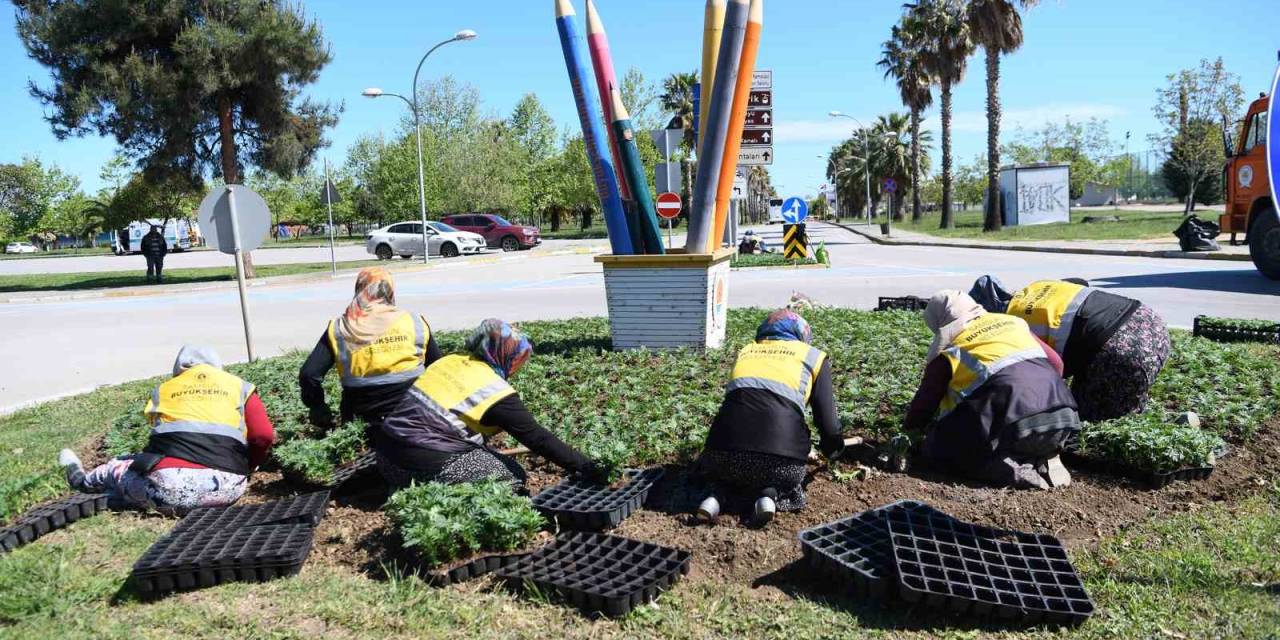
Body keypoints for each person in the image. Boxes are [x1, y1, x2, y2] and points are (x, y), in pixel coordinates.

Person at [372, 319, 605, 488]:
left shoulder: (449, 361)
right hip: (417, 467)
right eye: (519, 358)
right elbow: (538, 438)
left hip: (384, 459)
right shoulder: (493, 391)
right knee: (512, 475)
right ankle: (437, 491)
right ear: (506, 355)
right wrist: (588, 467)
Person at [57, 345, 275, 514]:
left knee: (117, 466)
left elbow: (158, 444)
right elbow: (263, 435)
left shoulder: (164, 390)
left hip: (167, 492)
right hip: (227, 489)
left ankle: (83, 481)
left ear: (178, 370)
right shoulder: (239, 386)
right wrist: (249, 466)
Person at [905, 291, 1079, 490]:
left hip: (1016, 429)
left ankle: (1011, 470)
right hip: (1063, 417)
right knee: (1008, 427)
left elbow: (925, 404)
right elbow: (1057, 364)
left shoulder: (950, 350)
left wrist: (909, 433)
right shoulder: (1012, 323)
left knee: (937, 448)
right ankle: (1044, 455)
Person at [695, 309, 844, 525]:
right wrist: (833, 450)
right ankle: (770, 494)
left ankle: (716, 495)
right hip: (782, 463)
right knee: (777, 475)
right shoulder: (813, 357)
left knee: (728, 476)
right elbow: (828, 424)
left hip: (721, 456)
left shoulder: (746, 351)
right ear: (802, 335)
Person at [969, 276, 1170, 422]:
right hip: (1151, 324)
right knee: (1119, 398)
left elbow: (1048, 373)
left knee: (1087, 422)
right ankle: (1153, 414)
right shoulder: (1036, 288)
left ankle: (1162, 423)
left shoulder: (1012, 323)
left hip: (1124, 351)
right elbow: (1080, 282)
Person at [299, 267, 442, 429]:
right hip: (414, 417)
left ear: (359, 290)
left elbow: (309, 374)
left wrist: (317, 407)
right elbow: (439, 368)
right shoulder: (414, 321)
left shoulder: (341, 327)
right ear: (391, 292)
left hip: (361, 421)